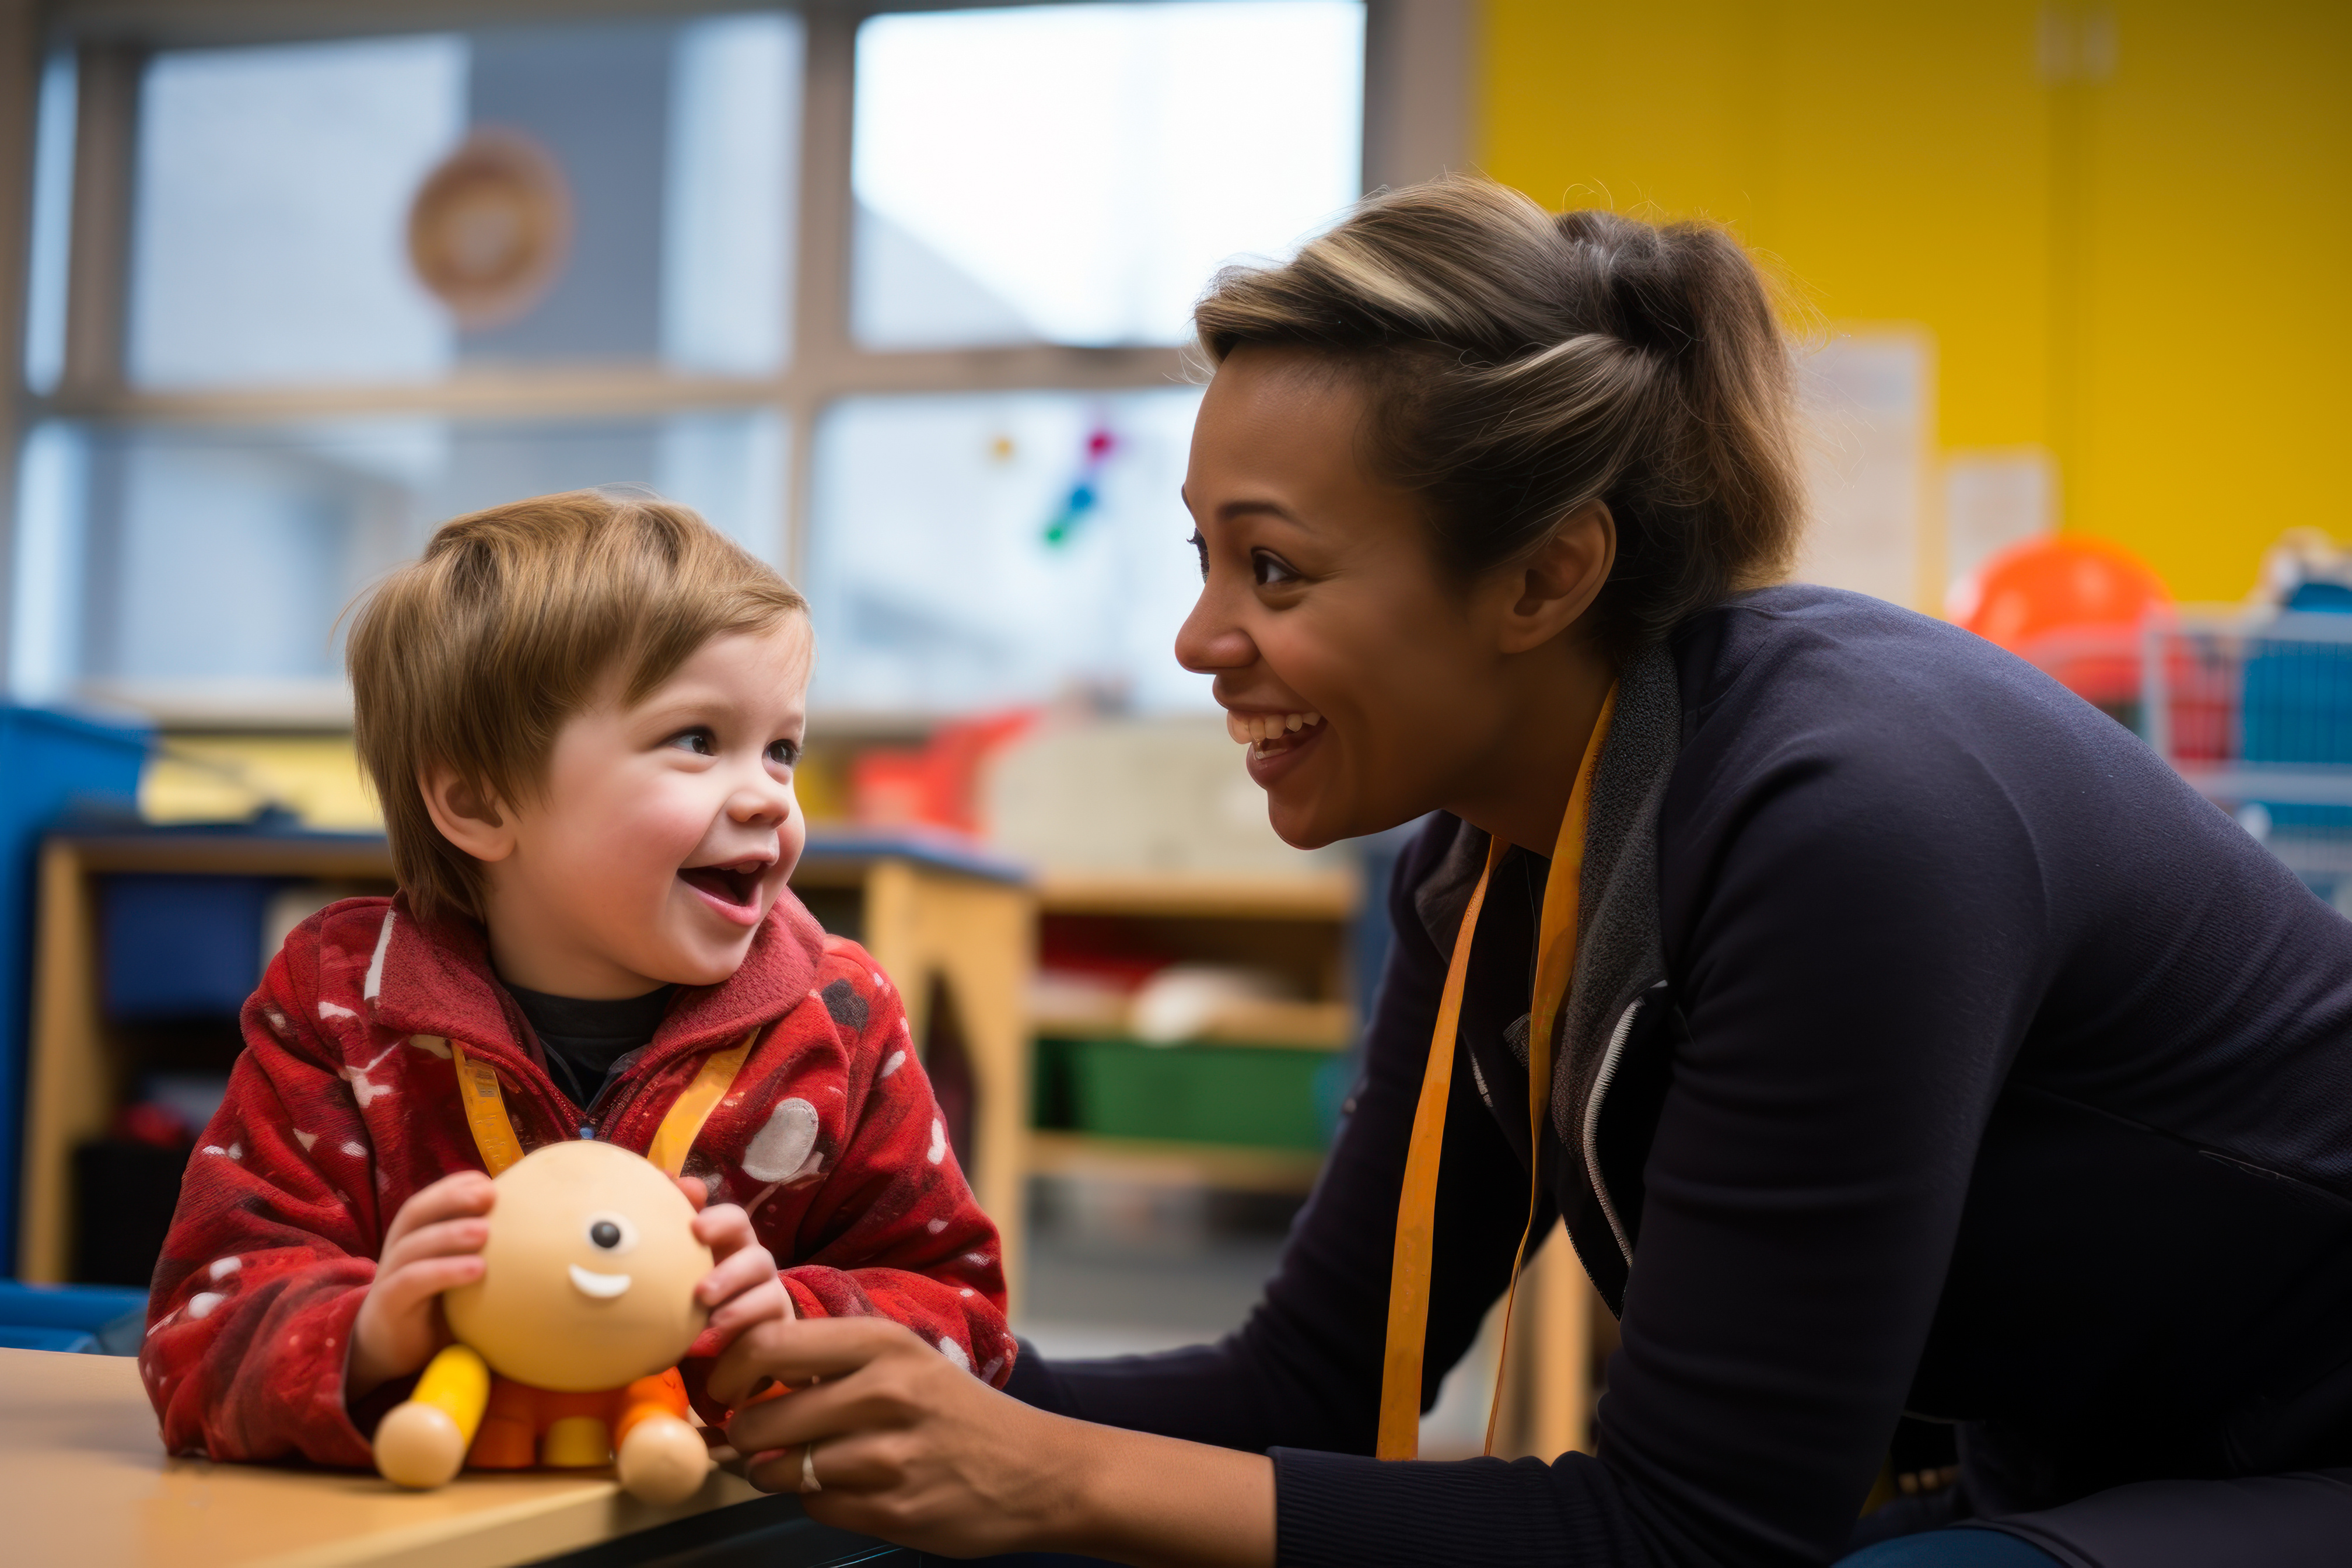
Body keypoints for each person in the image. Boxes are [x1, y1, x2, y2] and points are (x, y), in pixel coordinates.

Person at [696, 180, 2352, 1568]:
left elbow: (1694, 1534)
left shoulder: (1850, 819)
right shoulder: (1495, 861)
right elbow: (1313, 1382)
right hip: (2087, 1459)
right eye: (1203, 560)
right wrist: (900, 1375)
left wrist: (1046, 1474)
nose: (1201, 639)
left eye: (1273, 566)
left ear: (1549, 575)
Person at [141, 492, 1015, 1470]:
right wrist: (372, 1331)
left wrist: (801, 1324)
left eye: (782, 749)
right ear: (477, 801)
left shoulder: (842, 1018)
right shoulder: (342, 1007)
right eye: (696, 739)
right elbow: (194, 1329)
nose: (771, 795)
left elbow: (967, 1318)